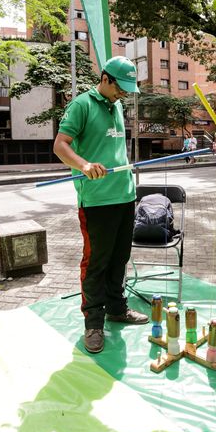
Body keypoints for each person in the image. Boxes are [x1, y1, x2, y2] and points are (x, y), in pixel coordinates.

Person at [53, 55, 148, 355]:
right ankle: (93, 322)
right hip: (96, 200)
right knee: (96, 262)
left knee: (119, 258)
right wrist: (83, 165)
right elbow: (60, 145)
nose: (124, 94)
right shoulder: (82, 105)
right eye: (121, 87)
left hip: (125, 195)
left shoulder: (117, 105)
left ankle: (116, 309)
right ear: (105, 79)